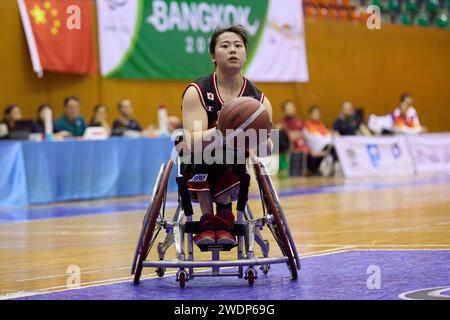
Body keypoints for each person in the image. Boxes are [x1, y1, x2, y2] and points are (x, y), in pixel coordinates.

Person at [181, 25, 273, 246]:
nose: (233, 50)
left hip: (236, 167)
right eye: (225, 46)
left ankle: (224, 214)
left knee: (231, 154)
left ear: (245, 54)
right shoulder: (198, 91)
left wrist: (259, 138)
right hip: (199, 160)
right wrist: (225, 132)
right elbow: (192, 142)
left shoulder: (258, 101)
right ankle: (207, 218)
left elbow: (267, 149)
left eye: (238, 46)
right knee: (206, 151)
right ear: (213, 55)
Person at [303, 105, 338, 176]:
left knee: (335, 144)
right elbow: (318, 141)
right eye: (315, 114)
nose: (317, 115)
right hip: (316, 156)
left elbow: (328, 136)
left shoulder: (321, 125)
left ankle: (336, 167)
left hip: (326, 151)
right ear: (310, 115)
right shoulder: (307, 127)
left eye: (318, 113)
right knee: (330, 145)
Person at [279, 100, 310, 176]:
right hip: (291, 145)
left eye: (291, 108)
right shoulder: (283, 122)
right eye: (287, 109)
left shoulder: (299, 121)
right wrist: (296, 135)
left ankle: (306, 170)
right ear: (284, 111)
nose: (290, 110)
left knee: (307, 148)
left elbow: (304, 133)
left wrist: (299, 135)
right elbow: (288, 135)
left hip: (302, 144)